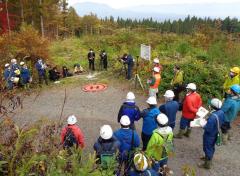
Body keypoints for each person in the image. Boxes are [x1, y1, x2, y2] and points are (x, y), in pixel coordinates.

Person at [198, 98, 225, 169]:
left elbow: (207, 128)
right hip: (215, 132)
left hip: (209, 135)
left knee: (207, 147)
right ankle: (208, 157)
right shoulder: (221, 112)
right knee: (211, 147)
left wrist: (202, 124)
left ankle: (207, 164)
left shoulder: (213, 117)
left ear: (213, 106)